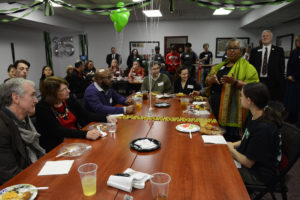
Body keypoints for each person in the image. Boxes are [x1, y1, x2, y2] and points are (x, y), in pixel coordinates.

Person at [36, 76, 113, 152]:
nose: (68, 91)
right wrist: (85, 134)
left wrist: (106, 118)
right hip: (57, 147)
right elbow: (58, 130)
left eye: (67, 88)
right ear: (53, 94)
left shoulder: (69, 100)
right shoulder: (42, 108)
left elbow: (86, 115)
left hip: (76, 139)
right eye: (64, 89)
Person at [227, 82, 282, 187]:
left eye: (241, 96)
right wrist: (232, 144)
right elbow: (247, 137)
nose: (240, 98)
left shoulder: (264, 128)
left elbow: (248, 163)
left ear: (249, 101)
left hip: (258, 175)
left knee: (219, 168)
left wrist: (231, 150)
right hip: (249, 162)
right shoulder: (255, 115)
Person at [206, 39, 259, 141]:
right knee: (214, 136)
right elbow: (207, 81)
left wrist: (236, 82)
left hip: (232, 111)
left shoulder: (248, 67)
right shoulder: (220, 66)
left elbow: (255, 87)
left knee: (229, 140)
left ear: (242, 51)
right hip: (215, 106)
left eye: (235, 48)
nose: (231, 51)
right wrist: (211, 80)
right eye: (229, 48)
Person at [0, 78, 45, 185]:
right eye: (32, 95)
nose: (36, 100)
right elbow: (11, 176)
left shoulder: (25, 120)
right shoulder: (2, 129)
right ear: (16, 98)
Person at [249, 30, 285, 102]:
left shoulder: (279, 50)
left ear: (271, 38)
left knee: (271, 101)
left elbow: (281, 66)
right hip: (258, 80)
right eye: (263, 36)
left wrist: (280, 80)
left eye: (267, 36)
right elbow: (251, 66)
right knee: (258, 100)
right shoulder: (254, 50)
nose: (265, 37)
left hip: (273, 82)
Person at [284, 36, 300, 124]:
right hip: (290, 79)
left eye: (299, 41)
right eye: (296, 40)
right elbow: (289, 64)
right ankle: (290, 116)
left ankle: (295, 119)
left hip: (298, 80)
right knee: (289, 99)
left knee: (296, 100)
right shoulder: (294, 52)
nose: (297, 42)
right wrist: (289, 75)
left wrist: (294, 76)